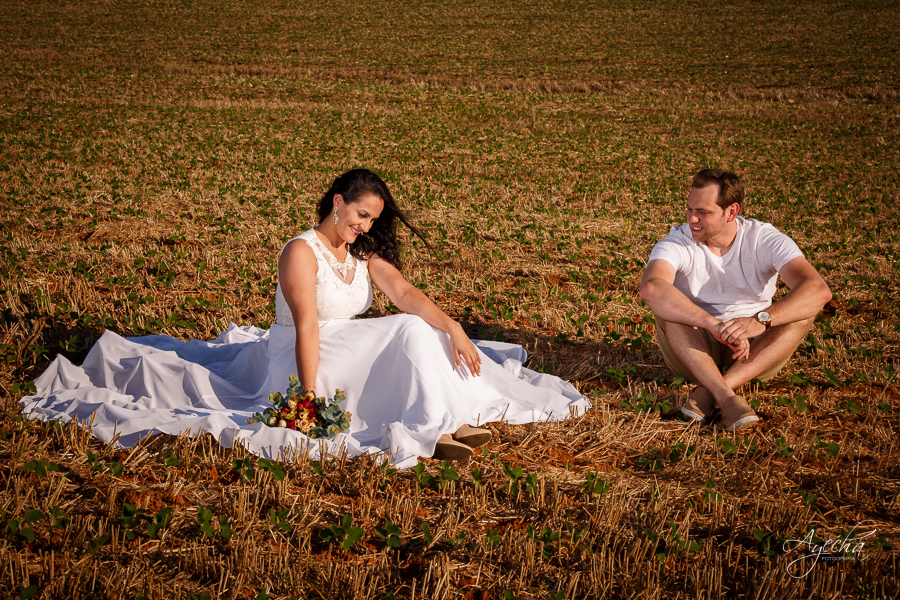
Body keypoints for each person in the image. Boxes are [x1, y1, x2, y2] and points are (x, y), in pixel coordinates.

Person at [21, 169, 590, 468]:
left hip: (346, 346)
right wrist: (307, 395)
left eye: (372, 220)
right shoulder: (301, 251)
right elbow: (308, 324)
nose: (365, 226)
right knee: (406, 333)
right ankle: (433, 426)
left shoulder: (364, 252)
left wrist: (458, 327)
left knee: (422, 326)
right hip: (298, 353)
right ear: (337, 201)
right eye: (360, 214)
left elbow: (406, 292)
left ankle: (446, 419)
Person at [639, 169, 832, 431]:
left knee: (802, 310)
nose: (692, 219)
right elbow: (651, 288)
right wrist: (712, 324)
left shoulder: (763, 238)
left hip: (754, 351)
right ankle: (727, 396)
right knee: (670, 309)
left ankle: (714, 390)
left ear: (731, 212)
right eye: (689, 209)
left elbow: (818, 290)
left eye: (704, 212)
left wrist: (761, 320)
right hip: (695, 348)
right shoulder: (678, 242)